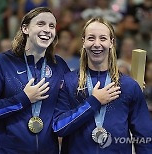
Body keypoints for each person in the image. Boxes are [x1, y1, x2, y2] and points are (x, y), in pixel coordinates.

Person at [0, 7, 69, 154]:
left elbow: (67, 107)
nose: (47, 30)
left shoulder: (59, 66)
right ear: (25, 28)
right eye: (41, 24)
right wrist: (24, 98)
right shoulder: (1, 63)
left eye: (52, 26)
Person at [52, 17, 152, 154]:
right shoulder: (69, 82)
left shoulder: (128, 86)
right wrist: (93, 102)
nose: (97, 44)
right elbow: (59, 127)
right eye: (91, 38)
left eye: (103, 38)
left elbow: (144, 137)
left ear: (111, 43)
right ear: (83, 42)